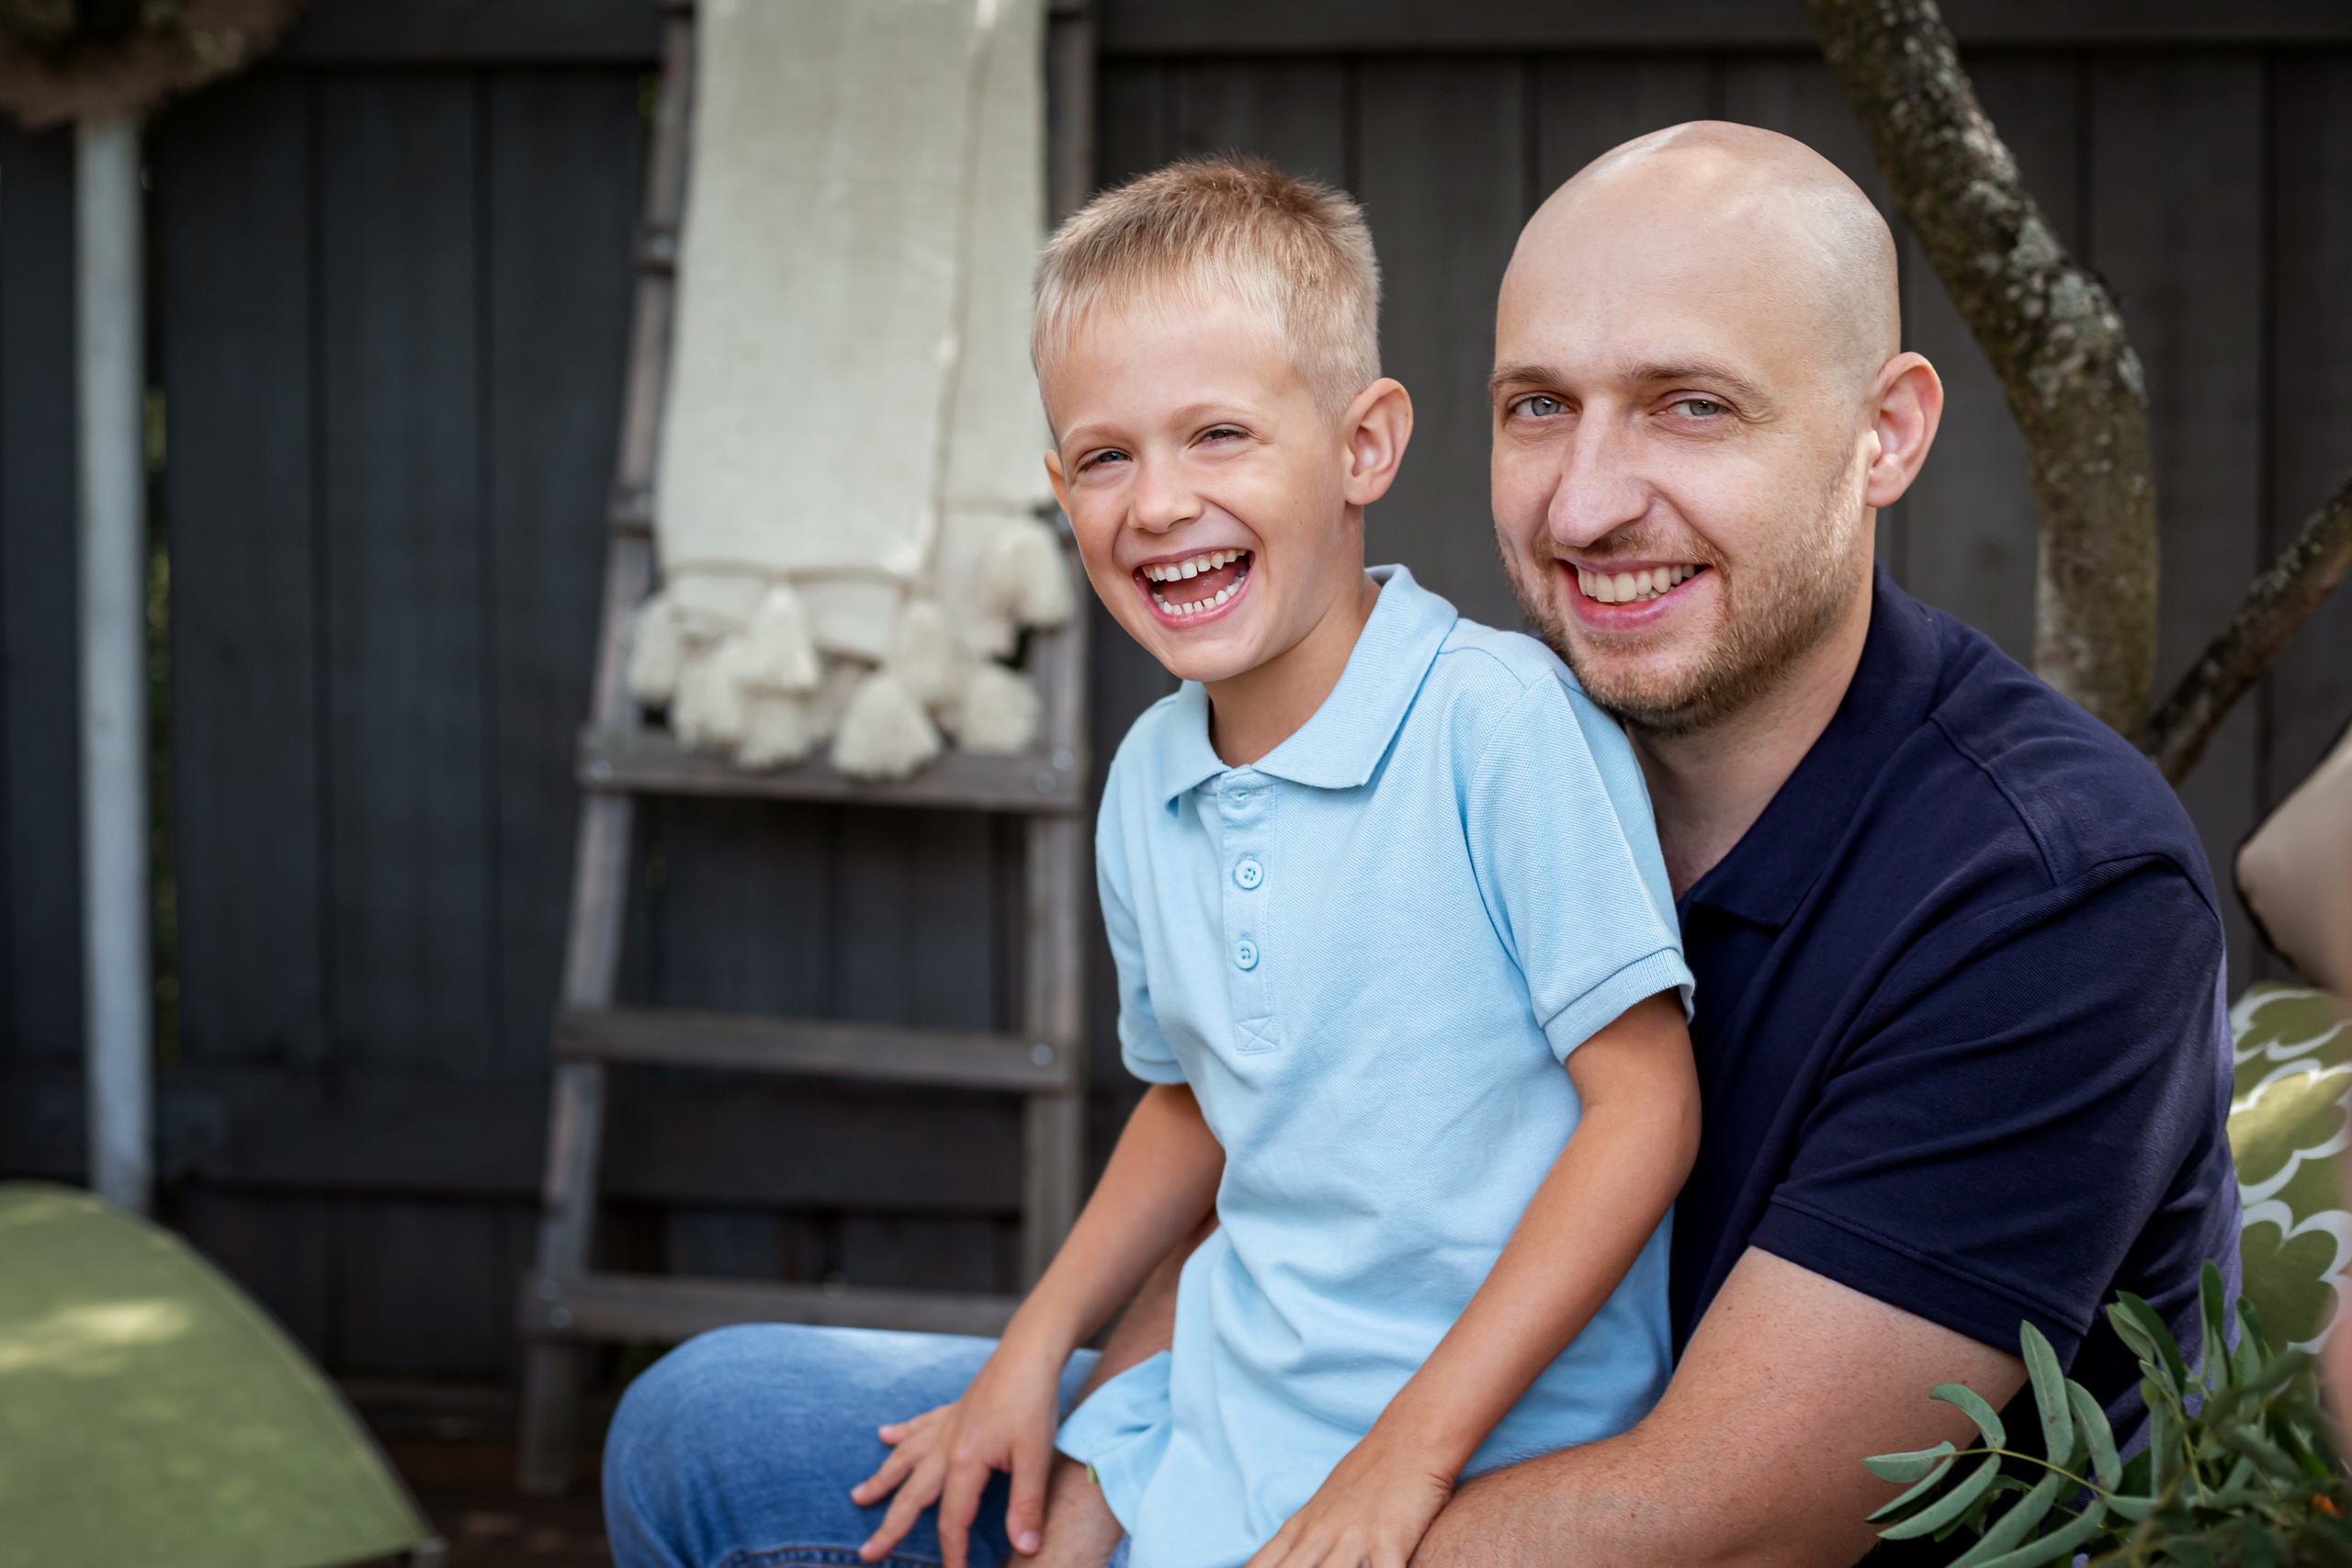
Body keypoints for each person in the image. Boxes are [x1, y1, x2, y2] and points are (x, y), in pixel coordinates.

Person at [603, 123, 2242, 1568]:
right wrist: (1120, 1456)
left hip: (1582, 1515)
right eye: (1540, 408)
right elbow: (1279, 1143)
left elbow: (1732, 1524)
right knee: (709, 1427)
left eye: (1690, 407)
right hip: (1301, 1435)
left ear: (1883, 433)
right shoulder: (1423, 741)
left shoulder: (2051, 889)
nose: (1587, 505)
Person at [613, 153, 1702, 1568]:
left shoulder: (1494, 728)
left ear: (1364, 446)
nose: (1159, 503)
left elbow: (1645, 1112)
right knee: (685, 1436)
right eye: (1105, 457)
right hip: (1223, 1433)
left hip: (1479, 1468)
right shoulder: (1149, 781)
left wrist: (1407, 1461)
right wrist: (1034, 1352)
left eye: (1219, 436)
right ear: (1058, 490)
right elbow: (1198, 1101)